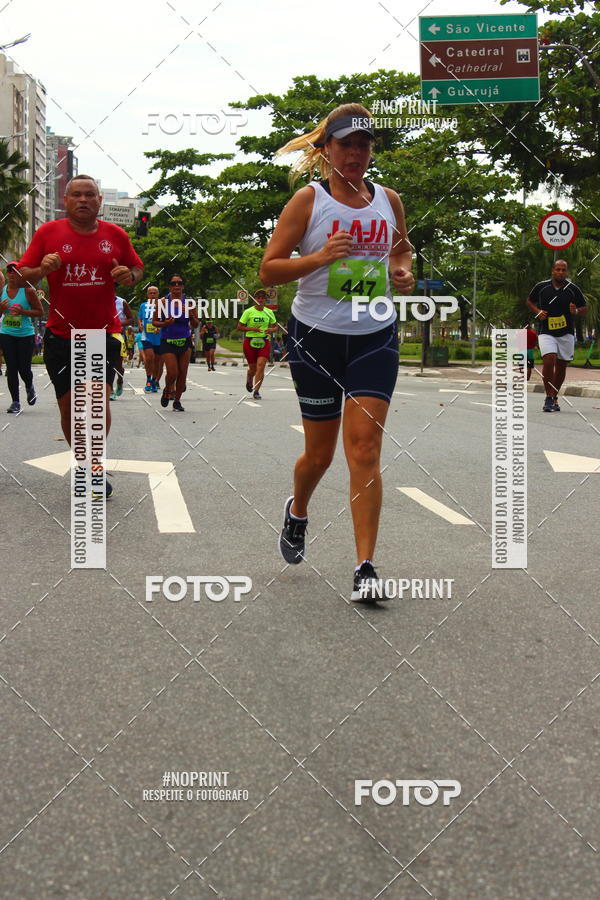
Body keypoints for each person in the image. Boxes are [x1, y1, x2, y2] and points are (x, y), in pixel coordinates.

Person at [259, 103, 414, 601]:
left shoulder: (388, 200)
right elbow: (269, 270)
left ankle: (365, 566)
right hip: (315, 337)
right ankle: (298, 510)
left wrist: (402, 271)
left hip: (374, 334)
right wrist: (321, 257)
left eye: (364, 145)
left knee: (365, 448)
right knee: (319, 455)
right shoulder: (309, 201)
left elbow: (401, 249)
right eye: (346, 144)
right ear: (325, 149)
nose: (356, 153)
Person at [17, 174, 144, 497]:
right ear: (65, 200)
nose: (83, 200)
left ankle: (96, 467)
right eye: (76, 195)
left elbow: (136, 269)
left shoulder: (115, 235)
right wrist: (42, 270)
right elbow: (21, 276)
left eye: (90, 195)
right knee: (70, 409)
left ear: (100, 201)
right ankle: (84, 464)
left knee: (97, 402)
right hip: (60, 335)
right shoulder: (48, 233)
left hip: (101, 333)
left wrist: (128, 274)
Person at [526, 259, 586, 411]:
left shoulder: (573, 289)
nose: (560, 272)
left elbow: (584, 307)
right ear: (552, 270)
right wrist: (538, 311)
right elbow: (529, 301)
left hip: (566, 333)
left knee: (561, 365)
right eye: (557, 269)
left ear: (567, 272)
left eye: (563, 270)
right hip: (546, 331)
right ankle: (548, 397)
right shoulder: (541, 287)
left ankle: (554, 396)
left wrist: (576, 311)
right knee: (549, 359)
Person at [0, 262, 43, 413]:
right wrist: (1, 309)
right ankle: (15, 402)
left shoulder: (28, 291)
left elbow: (40, 312)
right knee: (11, 369)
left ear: (20, 274)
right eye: (9, 271)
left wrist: (23, 311)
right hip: (6, 333)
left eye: (15, 271)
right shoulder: (2, 291)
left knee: (24, 369)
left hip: (25, 335)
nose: (12, 274)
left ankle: (29, 386)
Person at [152, 274, 198, 412]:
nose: (176, 286)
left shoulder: (189, 303)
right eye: (173, 283)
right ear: (169, 286)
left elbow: (195, 324)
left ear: (183, 286)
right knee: (172, 372)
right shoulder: (163, 302)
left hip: (185, 341)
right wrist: (165, 323)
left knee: (182, 373)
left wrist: (190, 314)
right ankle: (167, 389)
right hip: (167, 341)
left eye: (179, 283)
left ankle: (177, 401)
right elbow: (155, 321)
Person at [236, 289, 278, 399]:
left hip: (264, 342)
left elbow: (276, 327)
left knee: (261, 366)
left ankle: (256, 391)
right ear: (255, 299)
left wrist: (271, 330)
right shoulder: (248, 312)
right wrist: (252, 328)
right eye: (258, 298)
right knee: (253, 369)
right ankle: (249, 378)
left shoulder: (269, 312)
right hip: (250, 342)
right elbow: (239, 327)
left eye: (262, 298)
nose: (260, 300)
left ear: (266, 300)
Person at [138, 285, 163, 392]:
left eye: (154, 293)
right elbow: (139, 317)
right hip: (146, 336)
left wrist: (160, 326)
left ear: (158, 294)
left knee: (157, 361)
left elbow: (167, 319)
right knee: (149, 357)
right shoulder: (143, 306)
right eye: (150, 293)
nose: (152, 295)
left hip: (159, 337)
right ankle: (148, 379)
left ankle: (154, 381)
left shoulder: (163, 306)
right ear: (147, 294)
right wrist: (139, 324)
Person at [110, 295, 134, 400]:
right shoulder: (97, 299)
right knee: (105, 364)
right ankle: (110, 390)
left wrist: (118, 323)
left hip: (117, 335)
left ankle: (120, 380)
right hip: (101, 334)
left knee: (117, 365)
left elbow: (131, 318)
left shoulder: (121, 301)